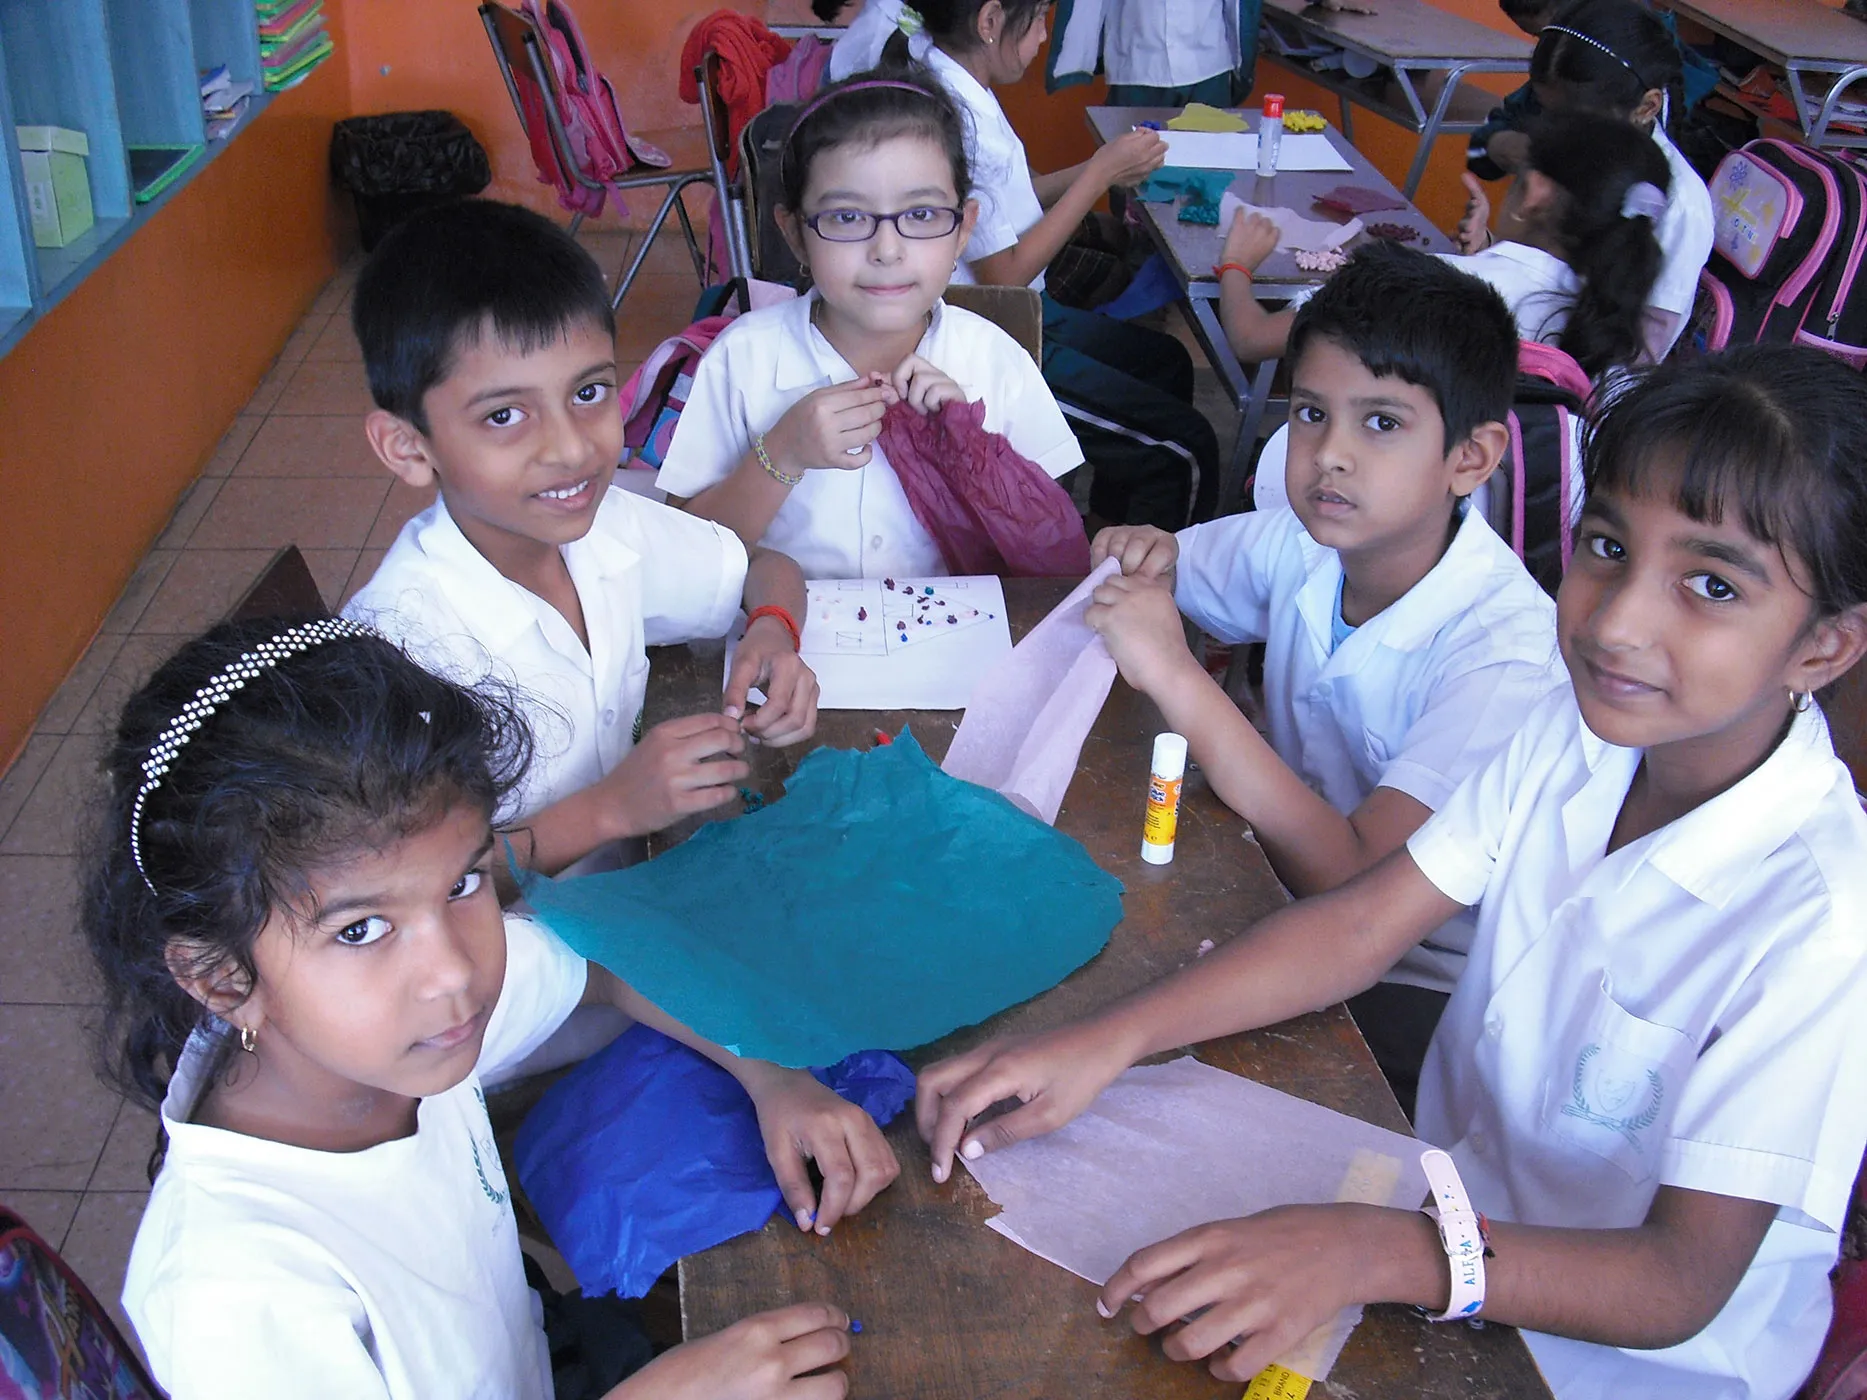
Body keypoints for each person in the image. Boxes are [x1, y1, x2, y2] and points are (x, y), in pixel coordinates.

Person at [918, 343, 1867, 1400]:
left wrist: (1373, 1251)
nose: (1616, 619)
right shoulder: (1581, 727)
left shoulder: (1821, 922)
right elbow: (1364, 922)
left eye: (1709, 583)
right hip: (1446, 1214)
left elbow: (1678, 1279)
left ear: (1821, 648)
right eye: (1605, 545)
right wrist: (1111, 1039)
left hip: (1614, 1359)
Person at [94, 622, 891, 1399]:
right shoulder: (231, 1299)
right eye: (361, 930)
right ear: (220, 976)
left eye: (464, 883)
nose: (454, 972)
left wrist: (774, 1078)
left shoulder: (376, 1040)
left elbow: (598, 965)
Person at [1089, 242, 1565, 1108]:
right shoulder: (1304, 541)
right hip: (1273, 883)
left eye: (1380, 423)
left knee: (1130, 1052)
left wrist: (1181, 679)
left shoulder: (1503, 657)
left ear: (1471, 457)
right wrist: (1139, 553)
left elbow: (1352, 884)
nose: (1329, 455)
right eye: (1310, 414)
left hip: (1420, 987)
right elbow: (1156, 577)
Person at [342, 200, 818, 880]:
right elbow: (411, 892)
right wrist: (608, 810)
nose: (570, 448)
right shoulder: (399, 654)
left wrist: (772, 633)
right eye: (504, 415)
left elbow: (762, 568)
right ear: (408, 447)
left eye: (590, 392)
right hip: (529, 967)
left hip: (631, 896)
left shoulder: (606, 529)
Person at [656, 70, 1084, 579]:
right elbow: (682, 554)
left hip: (960, 647)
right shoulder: (741, 360)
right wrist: (782, 453)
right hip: (782, 643)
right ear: (795, 234)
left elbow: (1052, 552)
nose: (886, 250)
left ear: (964, 229)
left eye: (922, 214)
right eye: (847, 217)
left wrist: (972, 448)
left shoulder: (994, 361)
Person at [887, 0, 1223, 530]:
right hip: (995, 331)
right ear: (990, 21)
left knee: (1166, 363)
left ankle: (1105, 527)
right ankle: (1148, 586)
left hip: (1022, 311)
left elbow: (1010, 204)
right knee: (1184, 448)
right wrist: (1098, 175)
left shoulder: (951, 80)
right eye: (1040, 18)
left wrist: (1100, 168)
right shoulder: (957, 115)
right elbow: (1006, 276)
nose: (1045, 36)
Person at [1222, 108, 1673, 382]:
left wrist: (1237, 265)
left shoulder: (1421, 288)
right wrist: (1485, 256)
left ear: (1533, 192)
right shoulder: (1611, 325)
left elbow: (1250, 338)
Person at [1464, 0, 1711, 358]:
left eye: (1574, 118)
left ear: (1646, 107)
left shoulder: (1681, 205)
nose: (1558, 130)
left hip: (1566, 391)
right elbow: (1545, 270)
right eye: (1548, 113)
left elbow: (1637, 361)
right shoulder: (1570, 147)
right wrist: (1491, 248)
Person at [1045, 0, 1261, 109]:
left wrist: (1242, 65)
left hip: (1209, 66)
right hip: (1137, 66)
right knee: (1130, 176)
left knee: (1211, 174)